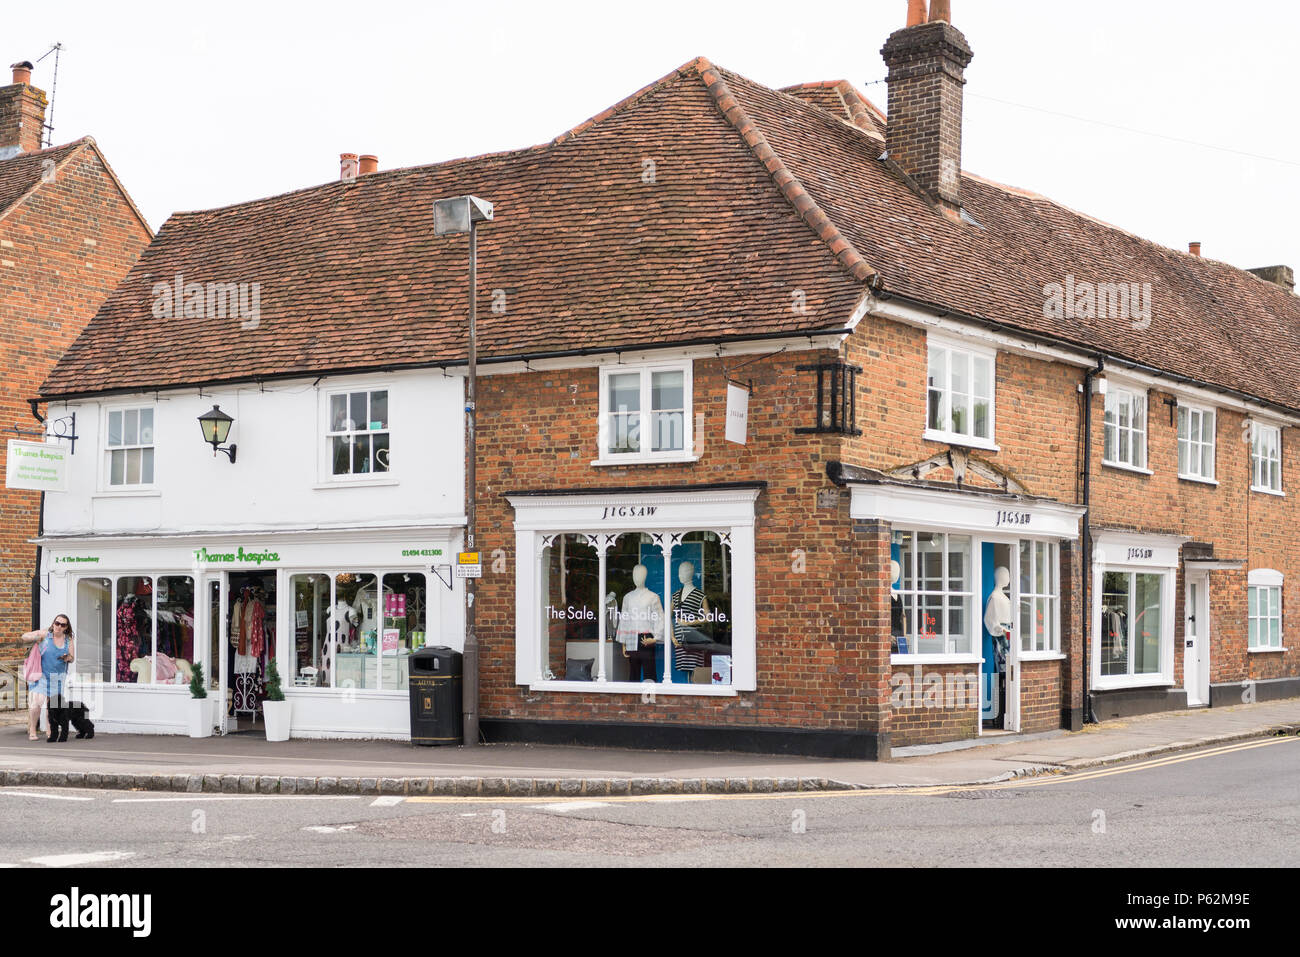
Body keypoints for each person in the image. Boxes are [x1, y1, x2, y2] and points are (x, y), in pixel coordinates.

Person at [20, 616, 75, 742]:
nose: (59, 626)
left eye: (63, 625)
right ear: (53, 623)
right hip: (42, 674)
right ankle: (33, 729)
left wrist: (68, 658)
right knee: (37, 703)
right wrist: (35, 638)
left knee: (53, 706)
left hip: (58, 677)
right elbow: (24, 636)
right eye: (57, 623)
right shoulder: (45, 634)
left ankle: (50, 730)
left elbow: (72, 658)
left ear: (66, 627)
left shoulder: (68, 640)